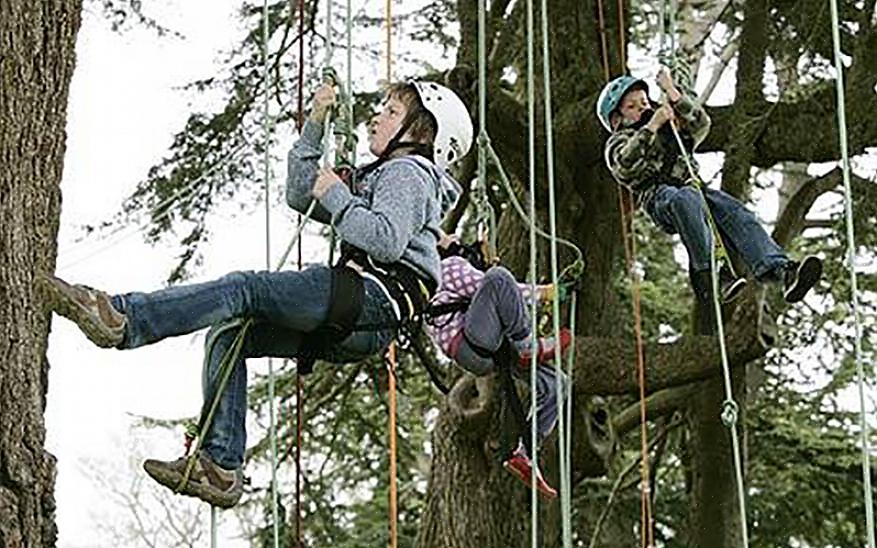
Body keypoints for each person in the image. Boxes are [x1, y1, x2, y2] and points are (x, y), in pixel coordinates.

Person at [41, 79, 474, 508]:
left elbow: (385, 240)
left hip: (370, 298)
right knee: (232, 334)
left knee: (245, 289)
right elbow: (299, 193)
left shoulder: (409, 174)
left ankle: (124, 319)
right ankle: (221, 467)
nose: (377, 117)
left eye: (392, 112)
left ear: (423, 133)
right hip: (364, 321)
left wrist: (341, 198)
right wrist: (316, 126)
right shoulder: (385, 177)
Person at [597, 69, 822, 334]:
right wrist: (652, 125)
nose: (642, 108)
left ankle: (780, 270)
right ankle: (710, 274)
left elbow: (701, 124)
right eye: (632, 107)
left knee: (737, 214)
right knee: (686, 199)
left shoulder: (671, 131)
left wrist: (672, 93)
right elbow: (625, 164)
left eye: (644, 102)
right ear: (617, 120)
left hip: (695, 189)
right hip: (662, 197)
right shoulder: (618, 142)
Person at [426, 232, 573, 499]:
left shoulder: (434, 280)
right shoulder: (446, 266)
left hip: (482, 348)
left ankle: (526, 454)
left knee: (557, 384)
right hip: (474, 342)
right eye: (447, 237)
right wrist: (546, 293)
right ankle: (528, 345)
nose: (453, 236)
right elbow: (498, 286)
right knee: (499, 277)